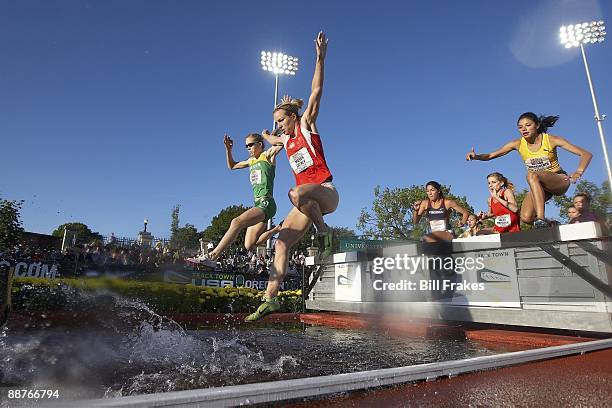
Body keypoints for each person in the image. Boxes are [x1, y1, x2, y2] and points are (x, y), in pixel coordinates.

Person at [245, 31, 338, 322]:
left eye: (283, 121)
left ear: (293, 118)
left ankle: (325, 234)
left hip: (325, 192)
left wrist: (320, 58)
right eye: (278, 123)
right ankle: (269, 299)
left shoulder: (307, 126)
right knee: (281, 244)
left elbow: (316, 91)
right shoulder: (285, 141)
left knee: (295, 193)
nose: (280, 126)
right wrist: (262, 134)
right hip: (306, 206)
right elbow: (269, 138)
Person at [466, 113, 592, 228]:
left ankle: (541, 219)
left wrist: (578, 171)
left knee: (531, 175)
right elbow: (491, 155)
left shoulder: (551, 140)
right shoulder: (518, 143)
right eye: (520, 127)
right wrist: (476, 156)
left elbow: (585, 154)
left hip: (558, 180)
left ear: (537, 125)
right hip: (539, 187)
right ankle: (552, 224)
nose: (524, 129)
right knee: (525, 217)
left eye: (528, 125)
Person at [186, 133, 282, 268]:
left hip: (266, 203)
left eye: (250, 145)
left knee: (236, 222)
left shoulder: (267, 155)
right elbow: (231, 166)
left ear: (260, 145)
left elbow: (281, 143)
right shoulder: (250, 161)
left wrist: (266, 135)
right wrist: (229, 149)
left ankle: (212, 256)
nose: (248, 148)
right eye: (246, 146)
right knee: (249, 245)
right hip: (258, 204)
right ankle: (275, 230)